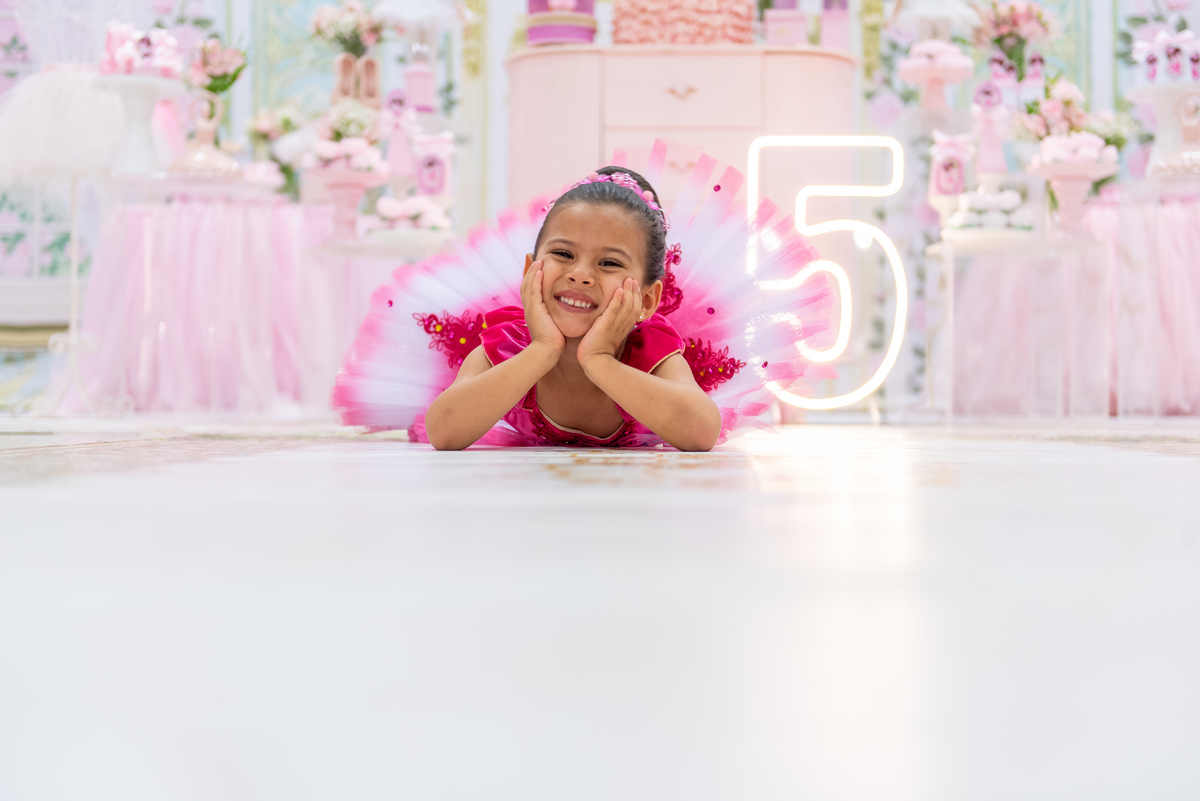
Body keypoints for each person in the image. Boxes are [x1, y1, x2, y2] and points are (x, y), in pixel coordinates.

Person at [333, 141, 839, 449]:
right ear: (530, 270)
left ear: (647, 300)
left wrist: (599, 361)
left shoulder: (650, 350)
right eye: (563, 254)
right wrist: (541, 350)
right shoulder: (507, 342)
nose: (579, 275)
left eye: (609, 263)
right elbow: (445, 432)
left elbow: (701, 433)